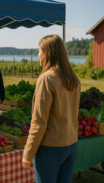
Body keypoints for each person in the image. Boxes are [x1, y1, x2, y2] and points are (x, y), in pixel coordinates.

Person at [22, 34, 81, 183]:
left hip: (51, 149)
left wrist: (28, 154)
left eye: (39, 51)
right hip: (71, 145)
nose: (38, 55)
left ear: (48, 53)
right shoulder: (73, 78)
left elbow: (39, 122)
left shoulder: (47, 78)